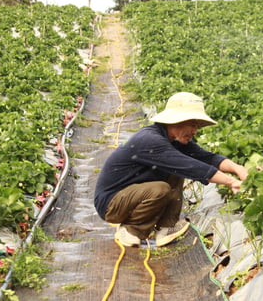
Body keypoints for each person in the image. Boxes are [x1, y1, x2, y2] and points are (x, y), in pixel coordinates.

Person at [94, 92, 248, 247]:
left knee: (175, 174)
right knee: (161, 188)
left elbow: (208, 158)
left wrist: (238, 169)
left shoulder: (174, 140)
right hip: (111, 203)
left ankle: (165, 228)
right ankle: (131, 230)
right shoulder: (151, 140)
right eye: (193, 125)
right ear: (178, 121)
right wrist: (231, 182)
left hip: (130, 195)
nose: (195, 131)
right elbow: (191, 166)